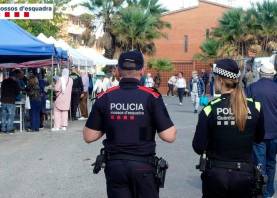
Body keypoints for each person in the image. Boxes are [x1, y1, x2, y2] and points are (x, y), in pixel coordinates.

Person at [83, 50, 177, 198]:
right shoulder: (152, 96)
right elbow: (169, 136)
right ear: (142, 70)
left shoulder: (105, 96)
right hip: (143, 167)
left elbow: (89, 136)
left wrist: (110, 123)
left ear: (118, 70)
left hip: (115, 167)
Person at [192, 59, 265, 198]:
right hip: (244, 175)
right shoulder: (255, 107)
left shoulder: (209, 109)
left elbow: (198, 147)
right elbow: (259, 138)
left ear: (219, 79)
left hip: (216, 176)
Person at [246, 60, 277, 198]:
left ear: (260, 72)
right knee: (271, 162)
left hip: (257, 132)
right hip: (275, 132)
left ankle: (259, 190)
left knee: (259, 163)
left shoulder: (252, 88)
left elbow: (246, 110)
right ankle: (269, 191)